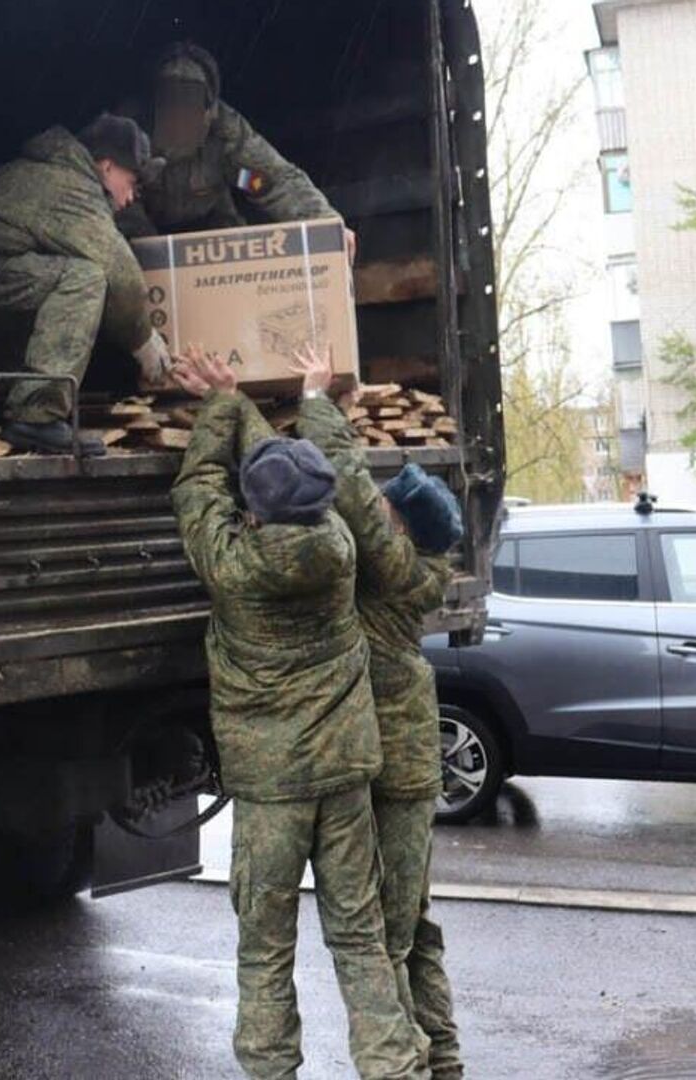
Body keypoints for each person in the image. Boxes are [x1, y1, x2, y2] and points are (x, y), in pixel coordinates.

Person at [168, 346, 427, 1080]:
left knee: (265, 944)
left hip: (271, 787)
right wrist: (277, 401)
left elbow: (198, 487)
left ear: (252, 509)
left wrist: (221, 405)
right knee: (359, 934)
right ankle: (393, 1068)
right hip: (345, 773)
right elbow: (301, 479)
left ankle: (272, 1069)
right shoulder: (341, 545)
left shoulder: (234, 567)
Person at [292, 342, 466, 1080]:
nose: (380, 512)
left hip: (392, 774)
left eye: (392, 512)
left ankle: (408, 1065)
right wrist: (347, 416)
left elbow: (355, 500)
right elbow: (364, 499)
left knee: (385, 931)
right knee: (415, 924)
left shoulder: (392, 572)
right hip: (407, 770)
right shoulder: (418, 567)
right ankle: (444, 1056)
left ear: (402, 530)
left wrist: (315, 403)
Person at [0, 113, 173, 456]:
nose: (130, 198)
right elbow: (118, 271)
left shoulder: (51, 175)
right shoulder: (69, 187)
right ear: (108, 167)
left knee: (44, 290)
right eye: (133, 183)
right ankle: (36, 417)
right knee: (82, 279)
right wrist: (143, 342)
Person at [118, 42, 357, 263]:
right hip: (144, 232)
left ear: (208, 111)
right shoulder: (128, 132)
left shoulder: (227, 137)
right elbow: (112, 195)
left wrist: (325, 224)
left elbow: (270, 184)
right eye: (171, 103)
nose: (180, 118)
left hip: (213, 228)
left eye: (190, 105)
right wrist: (150, 245)